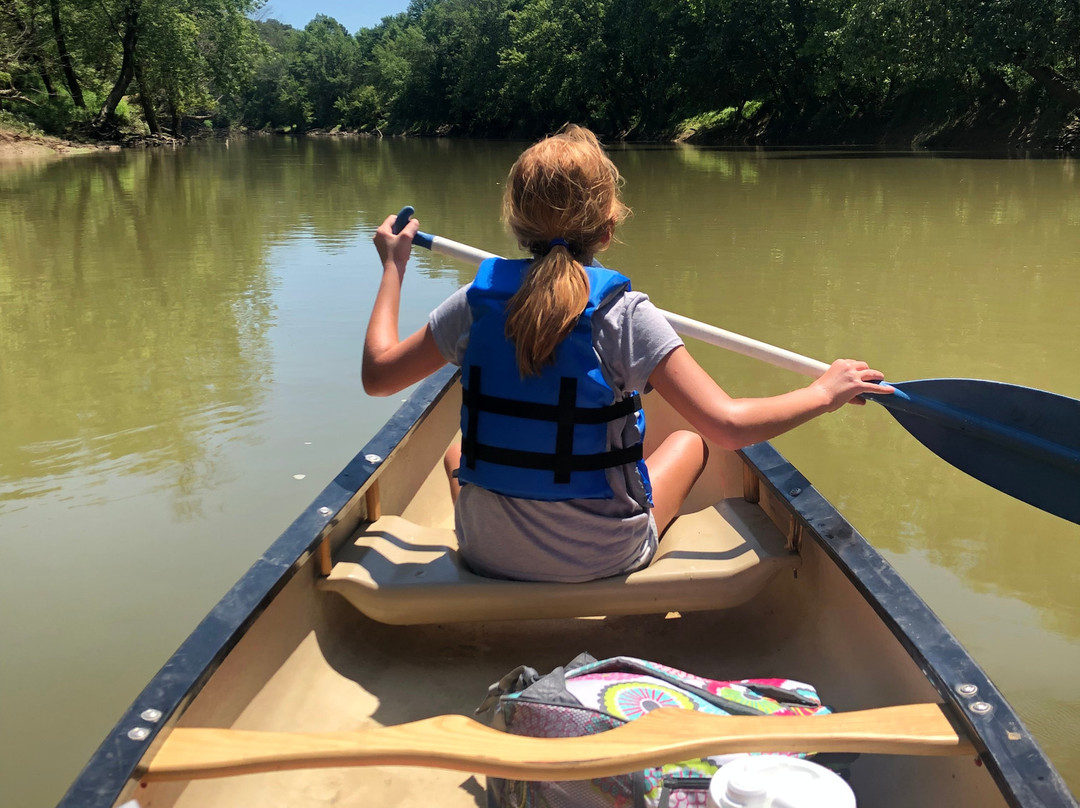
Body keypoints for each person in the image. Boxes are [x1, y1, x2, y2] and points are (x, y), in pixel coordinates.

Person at [363, 124, 891, 583]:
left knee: (457, 453)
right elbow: (729, 426)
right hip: (606, 556)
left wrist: (394, 266)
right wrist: (824, 392)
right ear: (609, 229)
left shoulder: (473, 305)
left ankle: (510, 540)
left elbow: (379, 377)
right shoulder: (627, 314)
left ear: (517, 227)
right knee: (687, 440)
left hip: (487, 555)